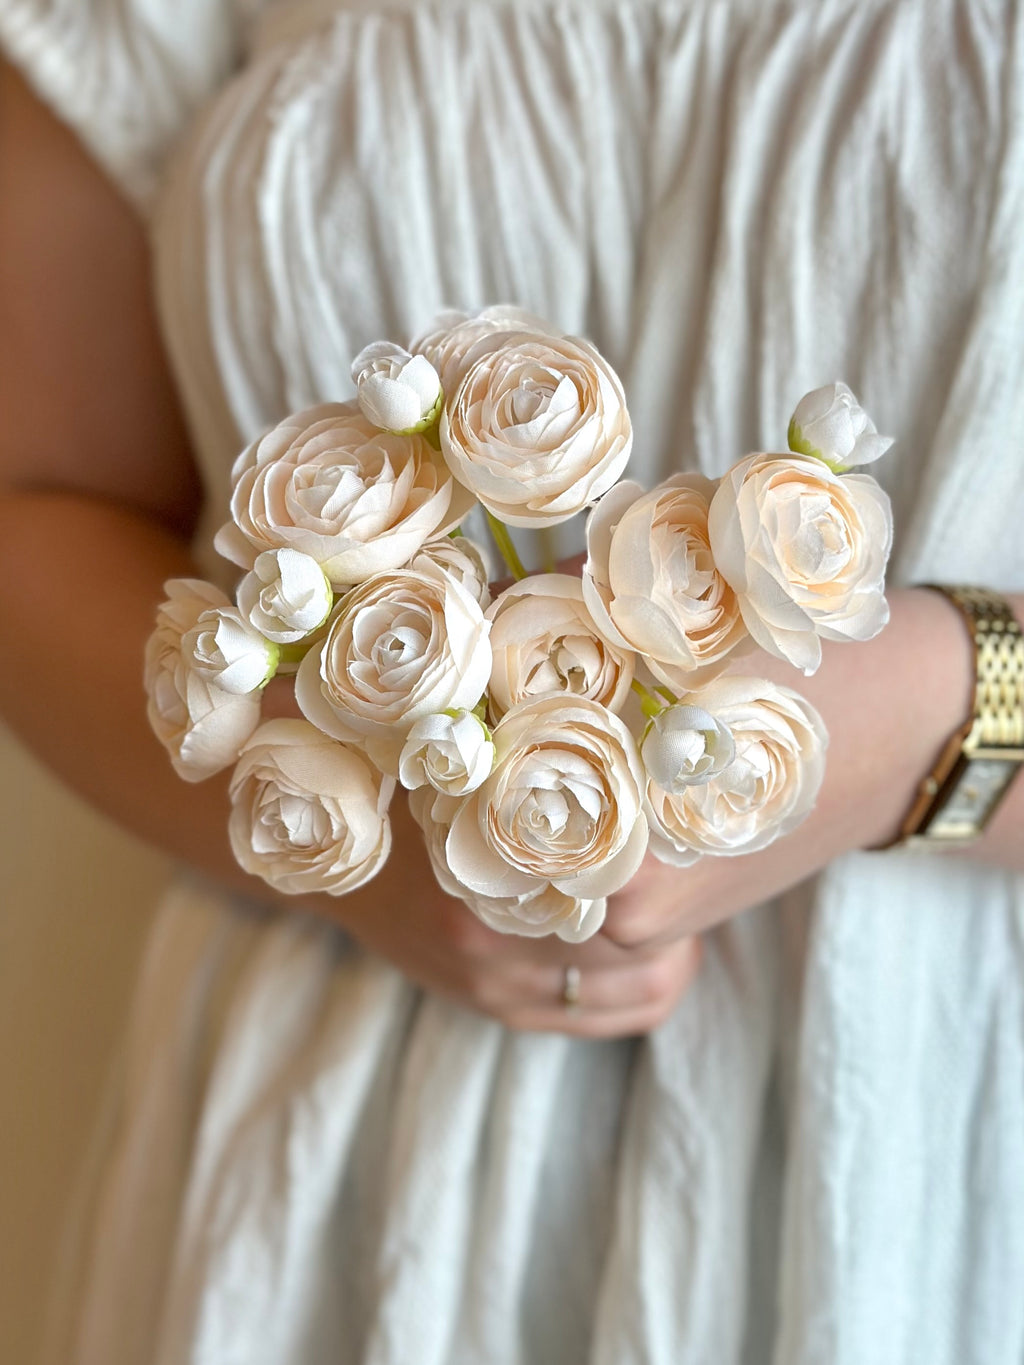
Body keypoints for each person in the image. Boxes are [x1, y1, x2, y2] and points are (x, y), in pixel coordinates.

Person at [1, 1, 1022, 1361]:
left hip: (927, 1150)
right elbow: (41, 502)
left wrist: (938, 719)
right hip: (334, 1192)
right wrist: (360, 838)